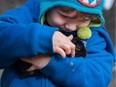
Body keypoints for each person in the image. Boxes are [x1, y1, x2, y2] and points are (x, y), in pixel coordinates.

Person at [0, 0, 115, 87]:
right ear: (49, 4)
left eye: (83, 20)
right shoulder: (28, 15)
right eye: (64, 15)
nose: (71, 27)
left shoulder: (94, 36)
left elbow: (98, 77)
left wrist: (51, 63)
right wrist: (41, 37)